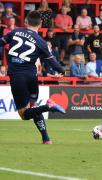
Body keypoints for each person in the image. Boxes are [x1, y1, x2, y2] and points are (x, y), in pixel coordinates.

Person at [0, 11, 66, 144]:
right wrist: (62, 70)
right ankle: (46, 138)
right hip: (32, 77)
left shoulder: (14, 32)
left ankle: (48, 106)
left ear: (25, 22)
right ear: (40, 24)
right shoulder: (41, 42)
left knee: (24, 114)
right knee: (33, 106)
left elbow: (1, 42)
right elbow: (52, 61)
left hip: (17, 77)